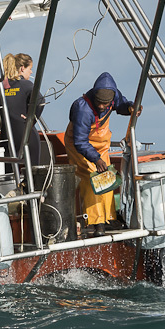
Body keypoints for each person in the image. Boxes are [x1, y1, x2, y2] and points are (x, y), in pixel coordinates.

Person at [65, 72, 141, 235]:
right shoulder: (83, 109)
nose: (101, 106)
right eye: (99, 102)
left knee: (107, 178)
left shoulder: (114, 96)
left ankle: (109, 218)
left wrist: (130, 107)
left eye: (105, 104)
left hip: (101, 146)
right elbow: (80, 141)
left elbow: (121, 105)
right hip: (80, 146)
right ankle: (95, 222)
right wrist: (96, 159)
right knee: (92, 177)